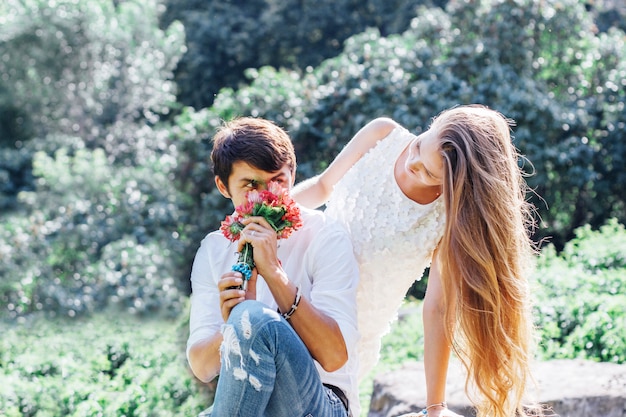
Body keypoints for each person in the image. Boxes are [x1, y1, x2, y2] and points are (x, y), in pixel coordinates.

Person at [292, 105, 542, 417]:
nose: (413, 164)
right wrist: (267, 212)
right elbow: (322, 186)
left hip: (348, 336)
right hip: (296, 285)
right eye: (419, 147)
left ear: (453, 182)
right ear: (432, 124)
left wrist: (435, 406)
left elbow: (437, 309)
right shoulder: (380, 134)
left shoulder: (448, 220)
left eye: (429, 173)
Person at [186, 117, 361, 417]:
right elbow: (202, 367)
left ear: (292, 176)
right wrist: (233, 328)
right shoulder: (214, 249)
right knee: (247, 319)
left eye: (277, 181)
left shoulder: (325, 236)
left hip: (321, 403)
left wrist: (275, 276)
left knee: (255, 318)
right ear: (223, 187)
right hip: (253, 403)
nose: (266, 196)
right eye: (251, 185)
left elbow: (334, 358)